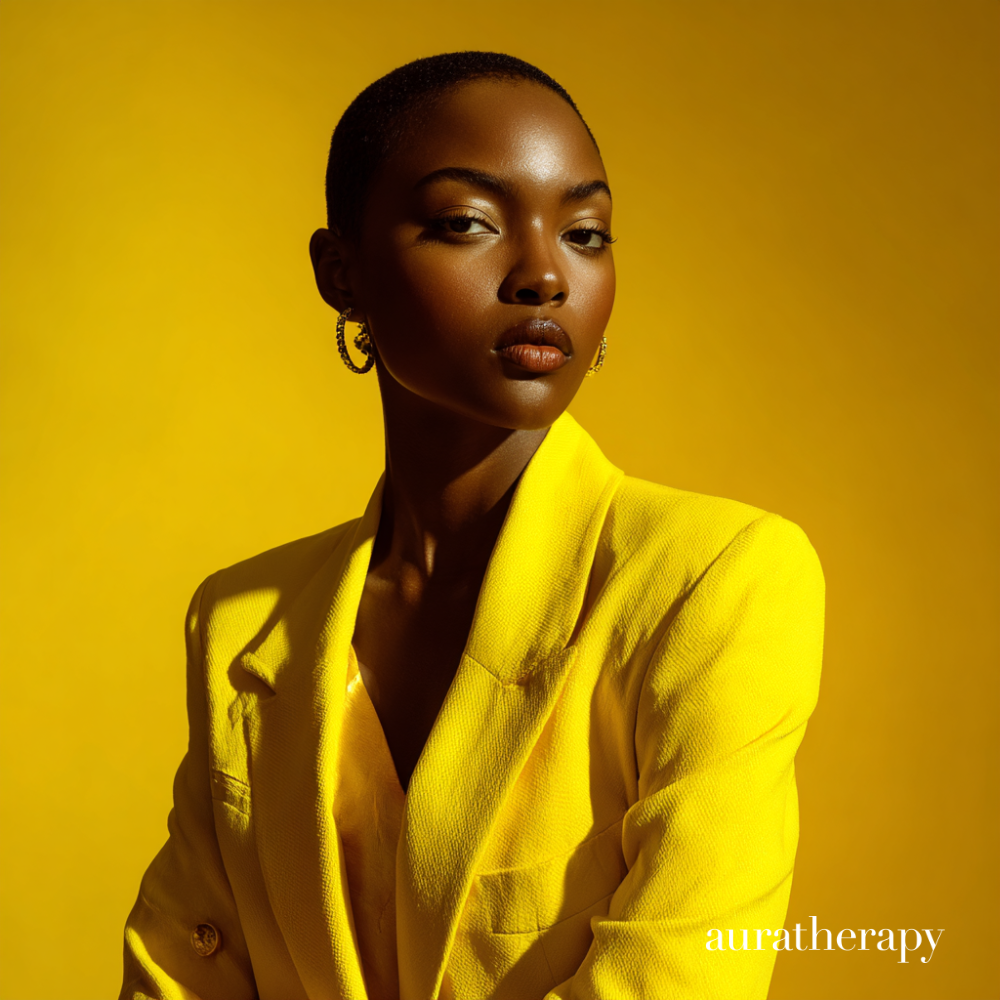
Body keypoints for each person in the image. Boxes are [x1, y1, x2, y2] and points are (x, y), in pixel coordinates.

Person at [120, 51, 825, 1000]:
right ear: (343, 273)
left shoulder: (713, 580)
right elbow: (177, 970)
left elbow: (674, 979)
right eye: (468, 223)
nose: (542, 273)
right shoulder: (243, 620)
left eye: (585, 232)